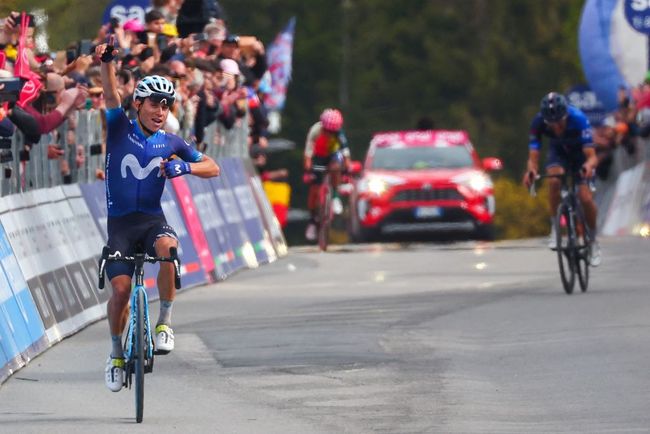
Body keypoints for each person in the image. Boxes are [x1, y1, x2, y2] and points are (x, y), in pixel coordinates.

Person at [95, 37, 220, 392]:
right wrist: (107, 63)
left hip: (151, 220)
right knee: (120, 291)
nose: (161, 110)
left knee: (169, 248)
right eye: (154, 103)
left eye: (167, 105)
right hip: (120, 224)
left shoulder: (172, 142)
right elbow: (108, 96)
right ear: (138, 103)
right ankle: (117, 353)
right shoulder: (120, 128)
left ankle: (164, 322)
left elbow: (212, 167)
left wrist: (186, 168)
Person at [523, 92, 601, 266]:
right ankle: (555, 228)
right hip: (559, 152)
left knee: (585, 198)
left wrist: (588, 167)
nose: (557, 128)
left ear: (565, 116)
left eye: (559, 123)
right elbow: (533, 157)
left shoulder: (579, 119)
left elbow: (592, 156)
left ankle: (594, 241)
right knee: (554, 181)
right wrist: (531, 171)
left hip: (581, 154)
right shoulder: (538, 122)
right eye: (552, 125)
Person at [303, 108, 350, 241]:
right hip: (318, 156)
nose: (330, 134)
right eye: (327, 131)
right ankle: (312, 220)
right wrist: (308, 170)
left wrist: (346, 169)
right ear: (323, 127)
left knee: (336, 167)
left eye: (333, 132)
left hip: (333, 155)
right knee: (314, 190)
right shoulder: (315, 131)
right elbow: (307, 155)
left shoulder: (339, 133)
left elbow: (346, 154)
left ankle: (335, 197)